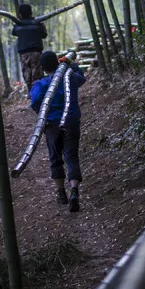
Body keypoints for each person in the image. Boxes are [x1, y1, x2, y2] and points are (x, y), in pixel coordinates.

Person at [29, 50, 85, 212]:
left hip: (52, 124)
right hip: (71, 122)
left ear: (43, 67)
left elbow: (34, 102)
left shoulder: (41, 84)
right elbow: (81, 77)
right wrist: (70, 64)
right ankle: (74, 191)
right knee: (72, 156)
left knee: (55, 157)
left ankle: (61, 193)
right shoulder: (70, 78)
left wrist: (43, 114)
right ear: (57, 62)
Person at [12, 4, 48, 92]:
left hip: (24, 54)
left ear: (20, 14)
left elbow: (14, 32)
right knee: (37, 75)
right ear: (31, 12)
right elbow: (44, 34)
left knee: (27, 75)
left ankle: (32, 93)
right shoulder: (37, 24)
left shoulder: (18, 25)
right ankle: (37, 94)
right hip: (36, 53)